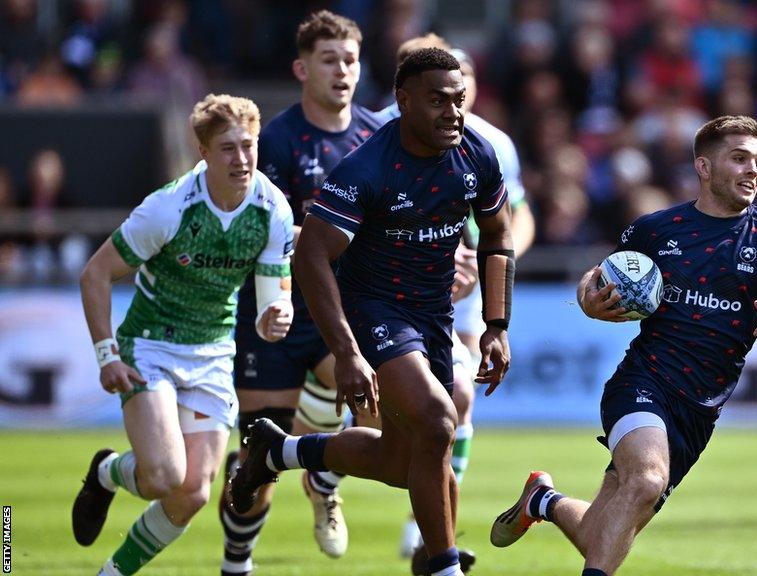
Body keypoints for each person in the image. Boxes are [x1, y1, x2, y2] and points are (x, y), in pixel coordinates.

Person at [490, 115, 757, 576]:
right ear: (704, 167)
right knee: (647, 478)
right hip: (643, 382)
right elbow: (598, 279)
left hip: (700, 410)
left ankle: (544, 501)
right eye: (738, 158)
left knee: (601, 532)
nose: (753, 170)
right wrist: (589, 302)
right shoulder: (657, 229)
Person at [229, 48, 515, 576]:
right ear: (403, 101)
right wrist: (346, 350)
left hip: (434, 315)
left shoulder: (478, 154)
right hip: (372, 308)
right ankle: (441, 563)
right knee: (438, 418)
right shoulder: (365, 168)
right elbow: (312, 254)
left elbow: (498, 235)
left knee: (401, 461)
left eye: (458, 100)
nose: (453, 112)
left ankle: (280, 452)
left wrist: (497, 325)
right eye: (437, 101)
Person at [72, 94, 294, 576]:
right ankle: (107, 471)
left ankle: (110, 572)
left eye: (249, 146)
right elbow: (95, 274)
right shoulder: (169, 208)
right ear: (203, 152)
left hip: (213, 352)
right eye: (228, 148)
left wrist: (277, 315)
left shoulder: (273, 209)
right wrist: (106, 354)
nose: (241, 159)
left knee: (193, 492)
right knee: (163, 476)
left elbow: (274, 298)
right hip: (150, 345)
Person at [216, 11, 382, 573]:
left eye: (350, 60)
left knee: (381, 410)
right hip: (274, 312)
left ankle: (323, 477)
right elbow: (261, 231)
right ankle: (237, 561)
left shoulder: (376, 136)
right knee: (253, 466)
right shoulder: (277, 141)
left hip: (345, 310)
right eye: (329, 60)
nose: (342, 71)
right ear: (301, 68)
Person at [374, 32, 537, 562]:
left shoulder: (491, 144)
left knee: (457, 402)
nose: (451, 99)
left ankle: (431, 538)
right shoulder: (374, 133)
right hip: (386, 289)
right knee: (390, 430)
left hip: (461, 286)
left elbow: (508, 224)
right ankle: (300, 457)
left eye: (458, 85)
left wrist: (497, 270)